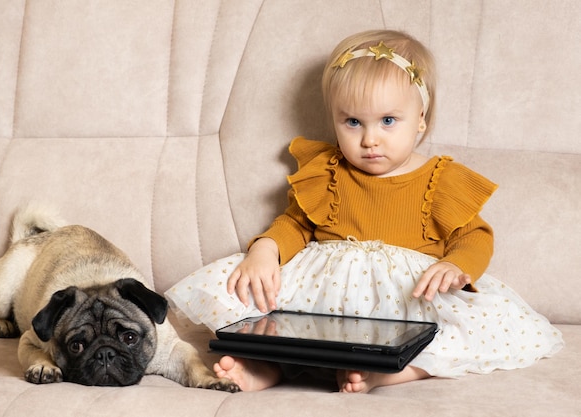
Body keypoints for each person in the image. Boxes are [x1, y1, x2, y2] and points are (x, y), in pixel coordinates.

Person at [165, 29, 563, 393]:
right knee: (271, 314)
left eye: (388, 121)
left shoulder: (442, 180)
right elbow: (297, 223)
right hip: (323, 292)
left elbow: (474, 236)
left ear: (420, 121)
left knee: (455, 334)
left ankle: (396, 369)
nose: (370, 139)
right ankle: (267, 367)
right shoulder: (328, 171)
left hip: (406, 297)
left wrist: (456, 265)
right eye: (353, 122)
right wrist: (266, 249)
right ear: (335, 120)